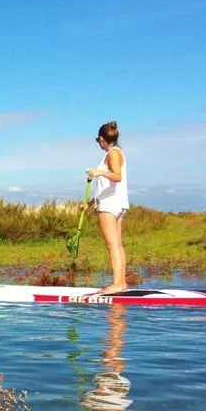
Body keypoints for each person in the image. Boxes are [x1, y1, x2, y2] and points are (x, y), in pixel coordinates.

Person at [84, 121, 129, 295]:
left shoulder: (113, 153)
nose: (98, 144)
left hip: (110, 206)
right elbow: (107, 186)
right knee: (117, 245)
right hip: (116, 203)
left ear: (102, 139)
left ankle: (117, 284)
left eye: (98, 140)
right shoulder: (115, 153)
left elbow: (117, 176)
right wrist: (90, 203)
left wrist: (99, 172)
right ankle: (122, 283)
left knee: (113, 246)